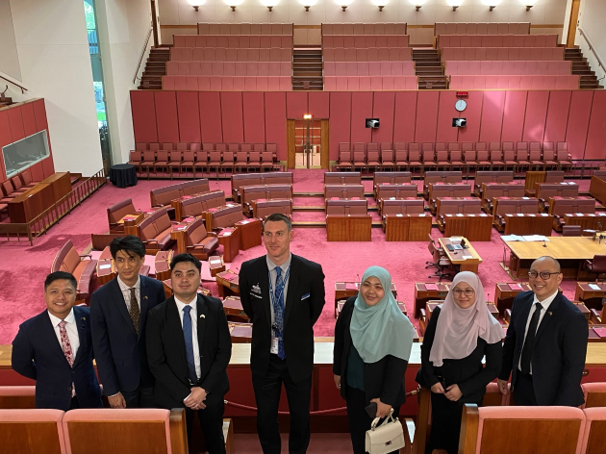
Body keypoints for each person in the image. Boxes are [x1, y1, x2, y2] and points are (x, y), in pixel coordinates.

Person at [239, 212, 325, 454]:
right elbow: (249, 308)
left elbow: (314, 311)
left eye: (279, 234)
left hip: (297, 357)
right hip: (265, 359)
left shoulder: (311, 271)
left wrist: (292, 332)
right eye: (268, 234)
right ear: (263, 236)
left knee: (300, 418)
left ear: (290, 236)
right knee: (265, 418)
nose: (273, 240)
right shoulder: (249, 270)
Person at [146, 253, 232, 453]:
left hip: (210, 391)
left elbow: (224, 350)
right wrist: (186, 395)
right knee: (178, 445)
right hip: (174, 394)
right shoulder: (157, 315)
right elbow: (156, 362)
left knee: (215, 441)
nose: (184, 279)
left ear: (199, 278)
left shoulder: (214, 307)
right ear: (171, 278)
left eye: (190, 274)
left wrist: (204, 389)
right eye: (178, 274)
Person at [416, 271, 503, 454]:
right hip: (439, 389)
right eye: (457, 290)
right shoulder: (441, 314)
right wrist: (432, 380)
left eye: (468, 291)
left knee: (461, 443)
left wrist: (463, 389)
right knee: (438, 440)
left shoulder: (490, 325)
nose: (462, 296)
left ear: (477, 292)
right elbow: (427, 349)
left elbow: (494, 368)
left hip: (467, 395)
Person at [333, 266, 415, 454]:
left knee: (383, 447)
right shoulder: (351, 307)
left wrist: (387, 400)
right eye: (367, 285)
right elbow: (340, 340)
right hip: (354, 389)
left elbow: (397, 366)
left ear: (386, 289)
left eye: (378, 287)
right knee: (359, 442)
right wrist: (338, 370)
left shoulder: (398, 322)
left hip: (381, 396)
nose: (371, 291)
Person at [498, 256, 588, 406]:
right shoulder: (521, 301)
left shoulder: (572, 318)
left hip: (552, 393)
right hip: (520, 384)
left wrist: (563, 407)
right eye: (533, 273)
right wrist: (503, 374)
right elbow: (512, 340)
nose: (538, 279)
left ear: (559, 278)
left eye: (545, 274)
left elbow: (573, 367)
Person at [90, 235, 166, 408]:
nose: (126, 266)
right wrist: (111, 390)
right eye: (121, 260)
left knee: (154, 429)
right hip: (122, 383)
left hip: (153, 379)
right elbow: (100, 348)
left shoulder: (155, 289)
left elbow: (163, 334)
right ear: (114, 262)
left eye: (131, 259)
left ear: (142, 259)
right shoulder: (101, 298)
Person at [12, 271, 103, 411]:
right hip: (51, 402)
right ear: (45, 294)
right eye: (54, 291)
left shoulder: (90, 318)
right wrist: (47, 375)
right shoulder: (29, 330)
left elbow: (100, 349)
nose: (60, 297)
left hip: (89, 397)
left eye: (67, 292)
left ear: (75, 294)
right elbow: (20, 364)